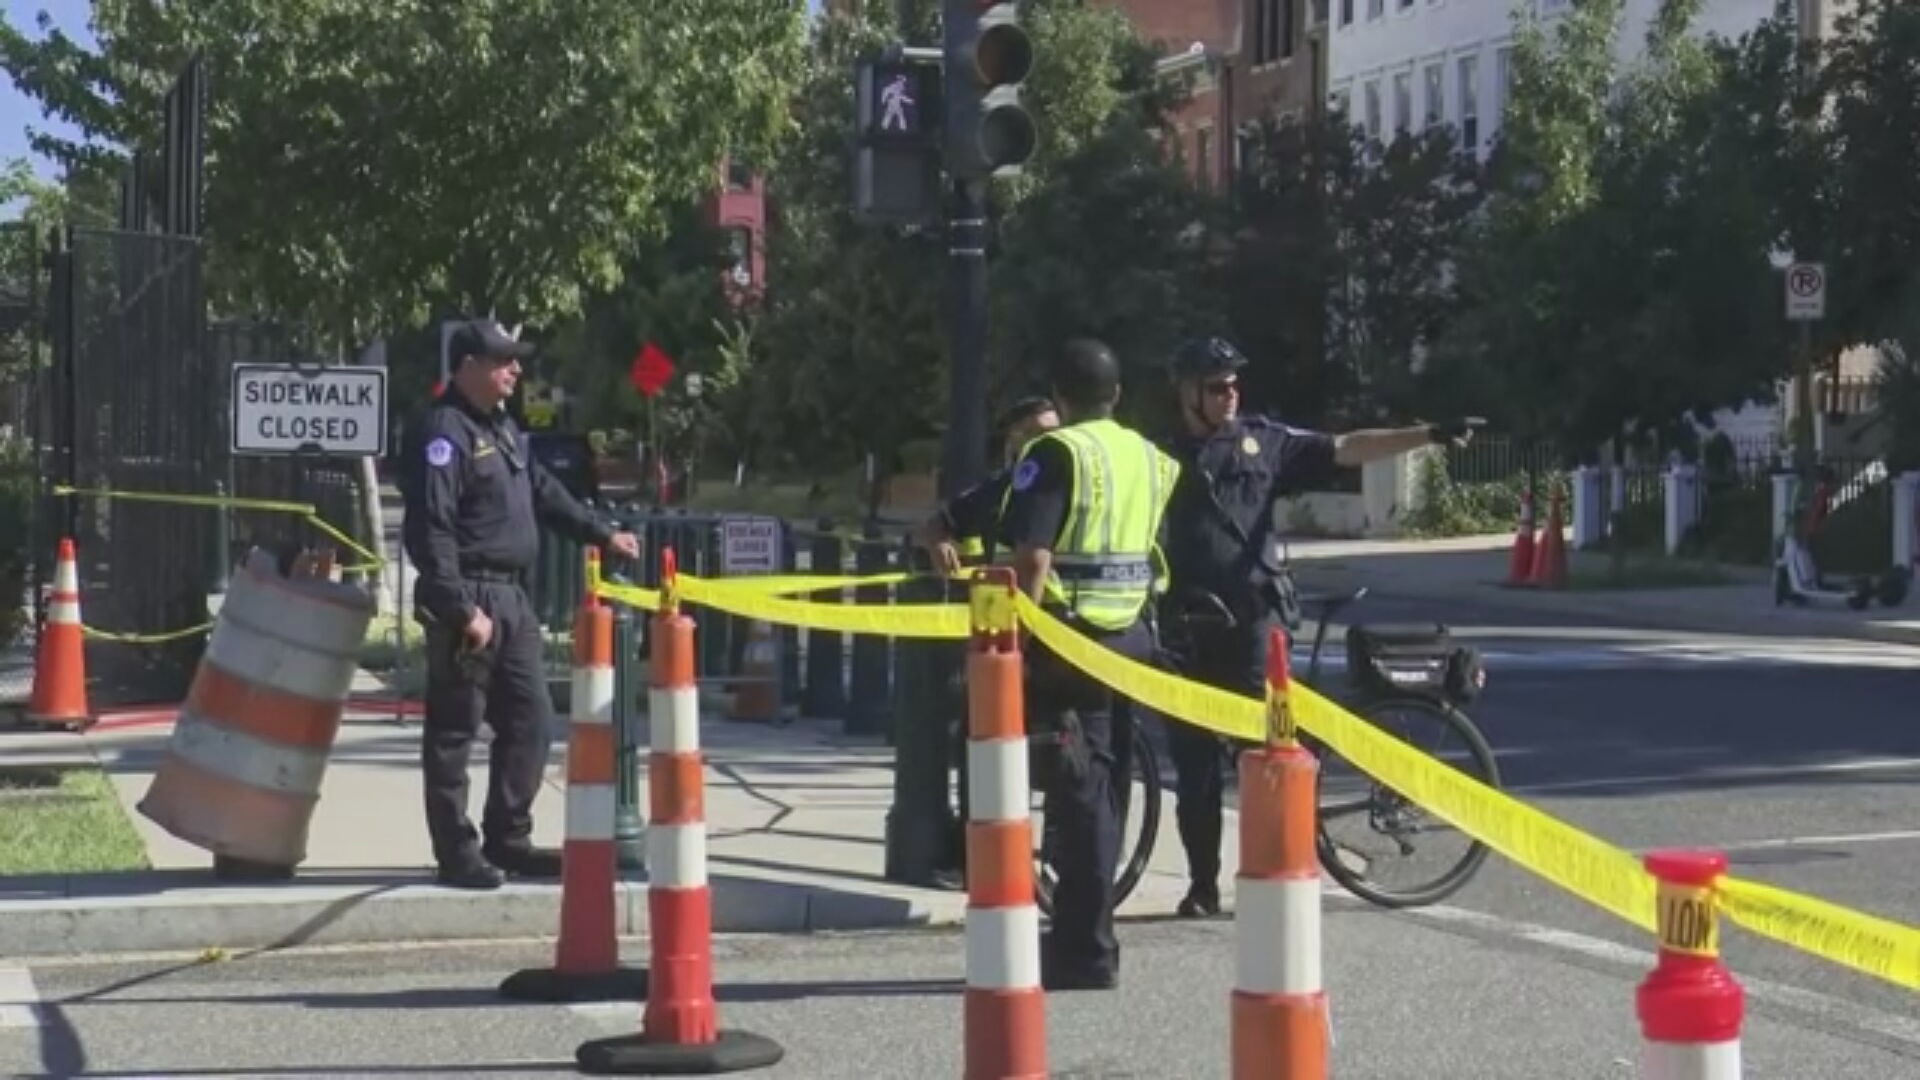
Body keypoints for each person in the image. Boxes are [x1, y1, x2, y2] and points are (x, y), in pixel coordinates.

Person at [1157, 335, 1478, 917]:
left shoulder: (1265, 441)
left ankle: (1279, 872)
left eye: (1234, 384)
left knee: (1271, 752)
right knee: (1193, 766)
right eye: (1216, 386)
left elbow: (1350, 447)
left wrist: (1426, 433)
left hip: (1254, 624)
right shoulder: (1160, 456)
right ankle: (1202, 887)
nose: (1230, 394)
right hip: (1187, 627)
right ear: (1187, 393)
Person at [403, 316, 643, 890]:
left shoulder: (504, 429)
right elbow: (430, 530)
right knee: (455, 732)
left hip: (512, 596)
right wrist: (461, 609)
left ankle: (508, 840)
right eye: (502, 360)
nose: (515, 369)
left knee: (531, 721)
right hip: (471, 598)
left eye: (515, 359)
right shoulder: (444, 432)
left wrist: (599, 532)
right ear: (467, 367)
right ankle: (456, 852)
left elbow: (542, 490)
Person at [1000, 338, 1179, 991]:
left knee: (1079, 799)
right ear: (1118, 395)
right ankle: (1091, 939)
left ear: (1060, 400)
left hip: (1073, 644)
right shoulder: (1149, 456)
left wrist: (1015, 644)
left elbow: (1035, 559)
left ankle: (1084, 950)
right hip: (1133, 635)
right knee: (1106, 789)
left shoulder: (1057, 452)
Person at [910, 396, 1061, 889]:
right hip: (1001, 632)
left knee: (1064, 747)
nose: (1046, 443)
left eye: (1053, 431)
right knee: (979, 736)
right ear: (1013, 443)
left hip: (1067, 628)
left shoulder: (1075, 479)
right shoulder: (1003, 490)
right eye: (1035, 434)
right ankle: (973, 852)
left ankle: (1061, 853)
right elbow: (937, 523)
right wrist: (939, 544)